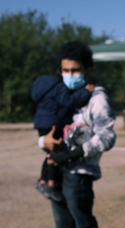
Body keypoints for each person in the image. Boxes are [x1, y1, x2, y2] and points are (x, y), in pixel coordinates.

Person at [40, 41, 116, 228]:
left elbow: (107, 136)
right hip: (56, 170)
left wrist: (77, 152)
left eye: (75, 70)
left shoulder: (97, 99)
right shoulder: (56, 93)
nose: (69, 75)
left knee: (85, 226)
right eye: (65, 70)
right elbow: (44, 130)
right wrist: (44, 143)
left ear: (87, 70)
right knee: (64, 227)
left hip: (79, 173)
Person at [31, 73, 94, 202]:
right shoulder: (59, 87)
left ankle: (44, 180)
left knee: (51, 153)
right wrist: (85, 92)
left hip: (43, 123)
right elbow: (70, 101)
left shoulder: (45, 87)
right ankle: (51, 185)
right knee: (56, 154)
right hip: (53, 124)